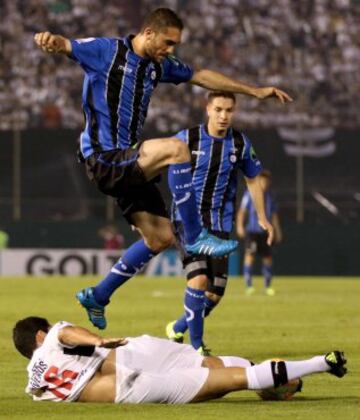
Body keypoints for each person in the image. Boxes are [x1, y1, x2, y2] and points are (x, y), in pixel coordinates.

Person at [34, 8, 292, 330]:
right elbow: (67, 45)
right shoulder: (107, 52)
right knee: (177, 148)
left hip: (128, 161)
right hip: (104, 156)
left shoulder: (158, 68)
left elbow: (200, 75)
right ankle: (197, 237)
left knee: (161, 237)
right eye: (168, 43)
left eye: (175, 45)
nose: (171, 51)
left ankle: (98, 296)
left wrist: (253, 91)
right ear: (149, 33)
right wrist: (51, 40)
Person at [13, 316, 347, 404]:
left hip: (130, 387)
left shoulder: (35, 385)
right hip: (133, 351)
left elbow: (65, 341)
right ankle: (275, 377)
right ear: (39, 336)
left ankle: (320, 362)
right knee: (214, 366)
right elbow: (67, 332)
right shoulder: (52, 338)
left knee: (225, 383)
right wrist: (97, 340)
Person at [165, 91, 274, 354]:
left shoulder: (240, 143)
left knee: (214, 294)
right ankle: (196, 347)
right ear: (207, 109)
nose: (224, 116)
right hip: (187, 221)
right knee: (199, 280)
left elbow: (253, 179)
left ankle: (177, 327)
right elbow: (155, 165)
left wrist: (261, 216)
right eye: (218, 109)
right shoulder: (186, 139)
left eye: (229, 110)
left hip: (219, 225)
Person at [237, 170, 283, 296]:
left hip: (265, 232)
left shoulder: (271, 196)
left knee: (268, 258)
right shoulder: (250, 194)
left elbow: (274, 215)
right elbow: (242, 211)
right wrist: (240, 226)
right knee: (250, 256)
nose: (265, 182)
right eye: (263, 180)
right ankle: (249, 286)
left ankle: (268, 286)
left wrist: (277, 230)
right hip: (252, 232)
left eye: (267, 180)